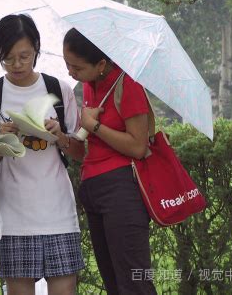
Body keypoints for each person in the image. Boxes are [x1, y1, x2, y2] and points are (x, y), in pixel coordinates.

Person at [0, 14, 85, 295]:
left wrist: (59, 135)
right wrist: (2, 140)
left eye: (24, 56)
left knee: (65, 289)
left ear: (36, 48)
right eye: (8, 58)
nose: (17, 65)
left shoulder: (59, 90)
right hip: (12, 216)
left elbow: (81, 152)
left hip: (58, 212)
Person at [62, 28, 157, 294]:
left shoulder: (128, 85)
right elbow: (86, 148)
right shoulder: (90, 85)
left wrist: (94, 127)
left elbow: (138, 146)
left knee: (133, 283)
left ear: (101, 64)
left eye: (77, 67)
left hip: (121, 188)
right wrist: (60, 136)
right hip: (93, 188)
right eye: (67, 64)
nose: (71, 73)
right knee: (114, 283)